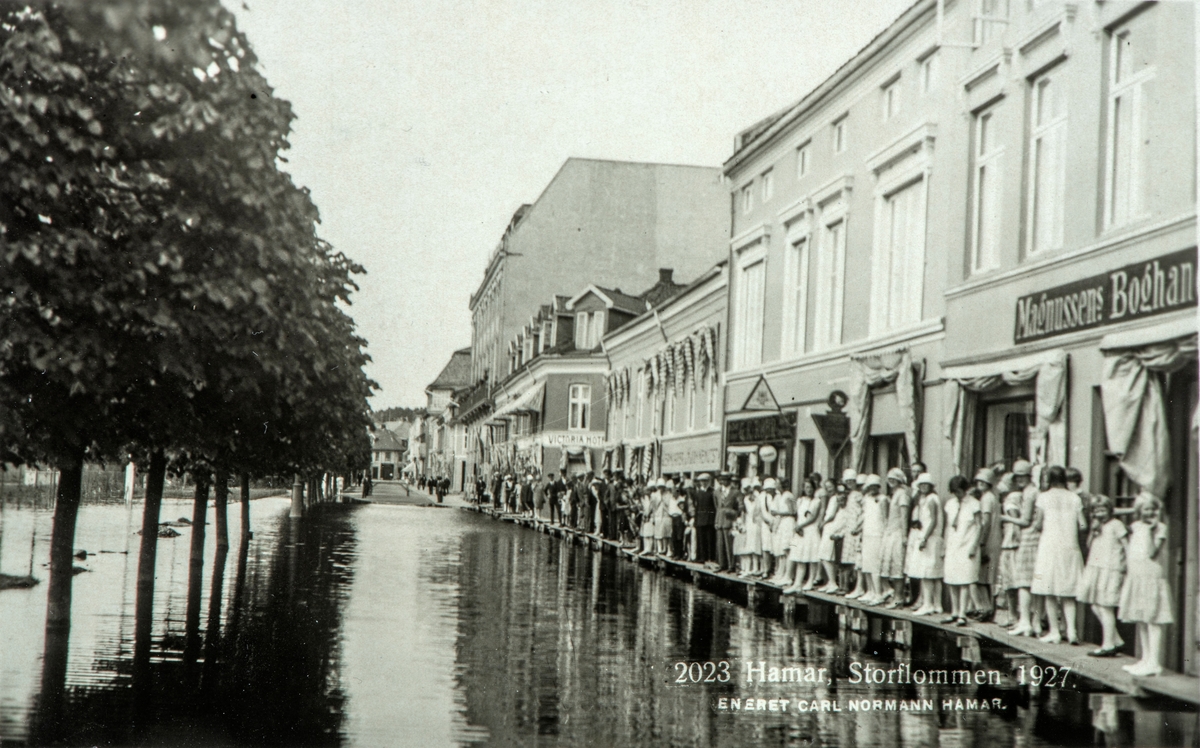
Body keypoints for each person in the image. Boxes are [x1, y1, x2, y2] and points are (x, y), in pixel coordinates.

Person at [1118, 493, 1174, 677]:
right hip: (1137, 574)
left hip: (1150, 575)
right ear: (1139, 511)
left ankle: (1154, 662)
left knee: (1152, 618)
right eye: (1145, 509)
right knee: (1141, 618)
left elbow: (1151, 552)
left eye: (1152, 509)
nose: (1149, 513)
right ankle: (1145, 659)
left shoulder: (1160, 529)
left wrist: (1151, 530)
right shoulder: (1135, 526)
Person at [1031, 465, 1086, 644]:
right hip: (1070, 546)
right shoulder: (1075, 498)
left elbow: (1038, 524)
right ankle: (1071, 631)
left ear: (1048, 479)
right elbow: (1083, 525)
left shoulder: (1043, 497)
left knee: (1049, 591)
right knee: (1068, 592)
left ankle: (1054, 631)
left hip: (1050, 546)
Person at [1076, 494, 1127, 657]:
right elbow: (1090, 545)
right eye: (1096, 510)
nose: (1100, 513)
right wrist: (1093, 529)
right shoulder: (1097, 526)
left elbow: (1127, 545)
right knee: (1095, 605)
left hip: (1110, 567)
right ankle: (1116, 640)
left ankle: (1108, 644)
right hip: (1096, 566)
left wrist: (1127, 566)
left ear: (1109, 510)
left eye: (1103, 509)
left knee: (1105, 606)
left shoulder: (1116, 524)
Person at [1000, 460, 1042, 637]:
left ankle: (1027, 621)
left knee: (1024, 582)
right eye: (1018, 477)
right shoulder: (1032, 491)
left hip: (1029, 539)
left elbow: (1025, 521)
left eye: (1023, 476)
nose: (1020, 480)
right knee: (1034, 583)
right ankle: (1035, 622)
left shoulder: (1030, 493)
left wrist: (1004, 518)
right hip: (1034, 538)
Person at [942, 475, 981, 626]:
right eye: (954, 492)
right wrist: (945, 546)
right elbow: (947, 526)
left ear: (965, 489)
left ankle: (962, 614)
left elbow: (979, 526)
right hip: (953, 544)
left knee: (964, 580)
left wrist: (973, 546)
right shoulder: (950, 504)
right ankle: (954, 611)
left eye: (959, 491)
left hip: (967, 544)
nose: (957, 494)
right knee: (952, 579)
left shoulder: (974, 503)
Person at [906, 473, 944, 616]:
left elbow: (933, 521)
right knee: (933, 572)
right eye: (921, 485)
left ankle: (928, 604)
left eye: (925, 484)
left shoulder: (931, 499)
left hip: (930, 538)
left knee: (926, 573)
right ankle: (936, 604)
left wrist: (924, 538)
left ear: (930, 486)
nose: (923, 487)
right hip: (931, 537)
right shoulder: (928, 499)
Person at [970, 468, 1001, 621]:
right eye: (979, 481)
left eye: (984, 481)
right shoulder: (992, 497)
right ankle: (988, 609)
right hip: (994, 540)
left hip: (988, 541)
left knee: (981, 577)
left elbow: (986, 523)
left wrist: (981, 543)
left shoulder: (986, 499)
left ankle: (986, 608)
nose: (980, 484)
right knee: (987, 577)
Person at [878, 467, 910, 608]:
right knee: (888, 566)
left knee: (898, 567)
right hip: (891, 532)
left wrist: (903, 536)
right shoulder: (894, 493)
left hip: (898, 533)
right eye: (889, 479)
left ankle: (899, 597)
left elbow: (904, 516)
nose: (891, 481)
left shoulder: (902, 494)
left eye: (894, 479)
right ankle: (894, 595)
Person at [857, 475, 886, 604]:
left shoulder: (883, 499)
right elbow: (865, 516)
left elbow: (885, 519)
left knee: (875, 566)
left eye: (875, 486)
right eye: (870, 487)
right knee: (866, 565)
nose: (872, 489)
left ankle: (878, 594)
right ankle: (870, 591)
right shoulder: (866, 499)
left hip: (877, 535)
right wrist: (858, 528)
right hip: (867, 534)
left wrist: (884, 535)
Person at [816, 482, 848, 594]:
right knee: (824, 556)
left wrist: (823, 523)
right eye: (826, 487)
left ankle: (833, 582)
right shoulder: (834, 500)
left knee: (827, 556)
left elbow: (831, 515)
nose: (828, 489)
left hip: (831, 530)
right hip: (830, 529)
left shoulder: (836, 500)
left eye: (830, 486)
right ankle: (830, 581)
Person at [842, 471, 866, 598]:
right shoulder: (851, 494)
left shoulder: (858, 495)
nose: (849, 484)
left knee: (858, 558)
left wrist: (858, 526)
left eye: (851, 481)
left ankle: (859, 587)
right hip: (850, 529)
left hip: (857, 529)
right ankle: (854, 586)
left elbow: (863, 512)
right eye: (847, 482)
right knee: (852, 559)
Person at [769, 484, 797, 584]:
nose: (776, 487)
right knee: (783, 550)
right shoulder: (782, 495)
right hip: (784, 522)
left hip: (788, 522)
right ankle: (784, 574)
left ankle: (788, 576)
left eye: (778, 484)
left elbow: (792, 511)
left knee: (787, 549)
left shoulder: (788, 495)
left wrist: (777, 512)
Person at [689, 473, 718, 567]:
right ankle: (702, 557)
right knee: (701, 539)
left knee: (710, 539)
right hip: (700, 519)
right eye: (702, 481)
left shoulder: (712, 492)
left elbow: (715, 506)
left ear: (709, 481)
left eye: (705, 481)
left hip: (709, 519)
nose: (703, 483)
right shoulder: (698, 493)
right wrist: (695, 520)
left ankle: (710, 557)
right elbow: (696, 507)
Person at [714, 473, 741, 572]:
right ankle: (721, 564)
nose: (722, 482)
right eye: (721, 480)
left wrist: (732, 513)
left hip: (729, 520)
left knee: (729, 544)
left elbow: (740, 508)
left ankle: (731, 565)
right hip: (720, 520)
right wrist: (716, 521)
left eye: (725, 480)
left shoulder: (735, 492)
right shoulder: (717, 492)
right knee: (720, 544)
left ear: (729, 480)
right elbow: (717, 507)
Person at [740, 478, 764, 577]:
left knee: (756, 545)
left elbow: (758, 510)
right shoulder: (746, 499)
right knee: (750, 545)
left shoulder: (758, 498)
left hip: (757, 522)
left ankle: (757, 567)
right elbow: (746, 512)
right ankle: (750, 567)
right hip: (749, 522)